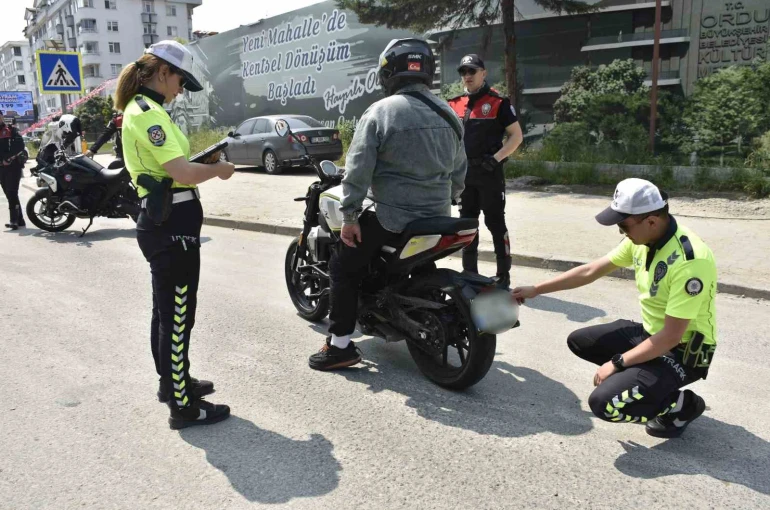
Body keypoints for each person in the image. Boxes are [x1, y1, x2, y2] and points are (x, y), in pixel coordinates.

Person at [512, 179, 717, 438]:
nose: (621, 232)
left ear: (651, 221)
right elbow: (591, 271)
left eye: (624, 225)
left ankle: (681, 405)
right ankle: (648, 381)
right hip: (652, 334)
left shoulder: (690, 261)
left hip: (682, 352)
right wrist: (536, 289)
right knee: (581, 341)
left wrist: (618, 363)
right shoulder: (643, 239)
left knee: (604, 404)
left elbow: (671, 337)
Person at [308, 38, 467, 371]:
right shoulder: (449, 113)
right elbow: (459, 171)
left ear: (388, 73)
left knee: (342, 267)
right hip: (438, 217)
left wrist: (350, 216)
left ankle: (339, 346)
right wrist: (446, 198)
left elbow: (358, 169)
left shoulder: (382, 111)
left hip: (393, 219)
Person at [117, 40, 236, 429]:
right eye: (180, 81)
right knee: (178, 316)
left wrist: (201, 164)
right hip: (171, 226)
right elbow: (182, 173)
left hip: (168, 223)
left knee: (166, 313)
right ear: (163, 72)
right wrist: (218, 170)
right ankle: (183, 407)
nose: (181, 90)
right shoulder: (147, 113)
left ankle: (172, 384)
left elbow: (172, 168)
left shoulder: (146, 109)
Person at [448, 54, 523, 288]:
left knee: (495, 224)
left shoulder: (498, 102)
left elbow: (516, 136)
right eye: (463, 72)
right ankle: (470, 273)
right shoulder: (453, 104)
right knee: (467, 225)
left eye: (472, 71)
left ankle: (503, 275)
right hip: (464, 176)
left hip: (490, 174)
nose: (467, 76)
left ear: (484, 73)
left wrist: (496, 158)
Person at [0, 112, 27, 230]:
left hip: (13, 166)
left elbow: (20, 145)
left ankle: (14, 220)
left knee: (11, 192)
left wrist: (8, 158)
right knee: (9, 193)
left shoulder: (11, 130)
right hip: (1, 168)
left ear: (2, 117)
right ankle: (20, 220)